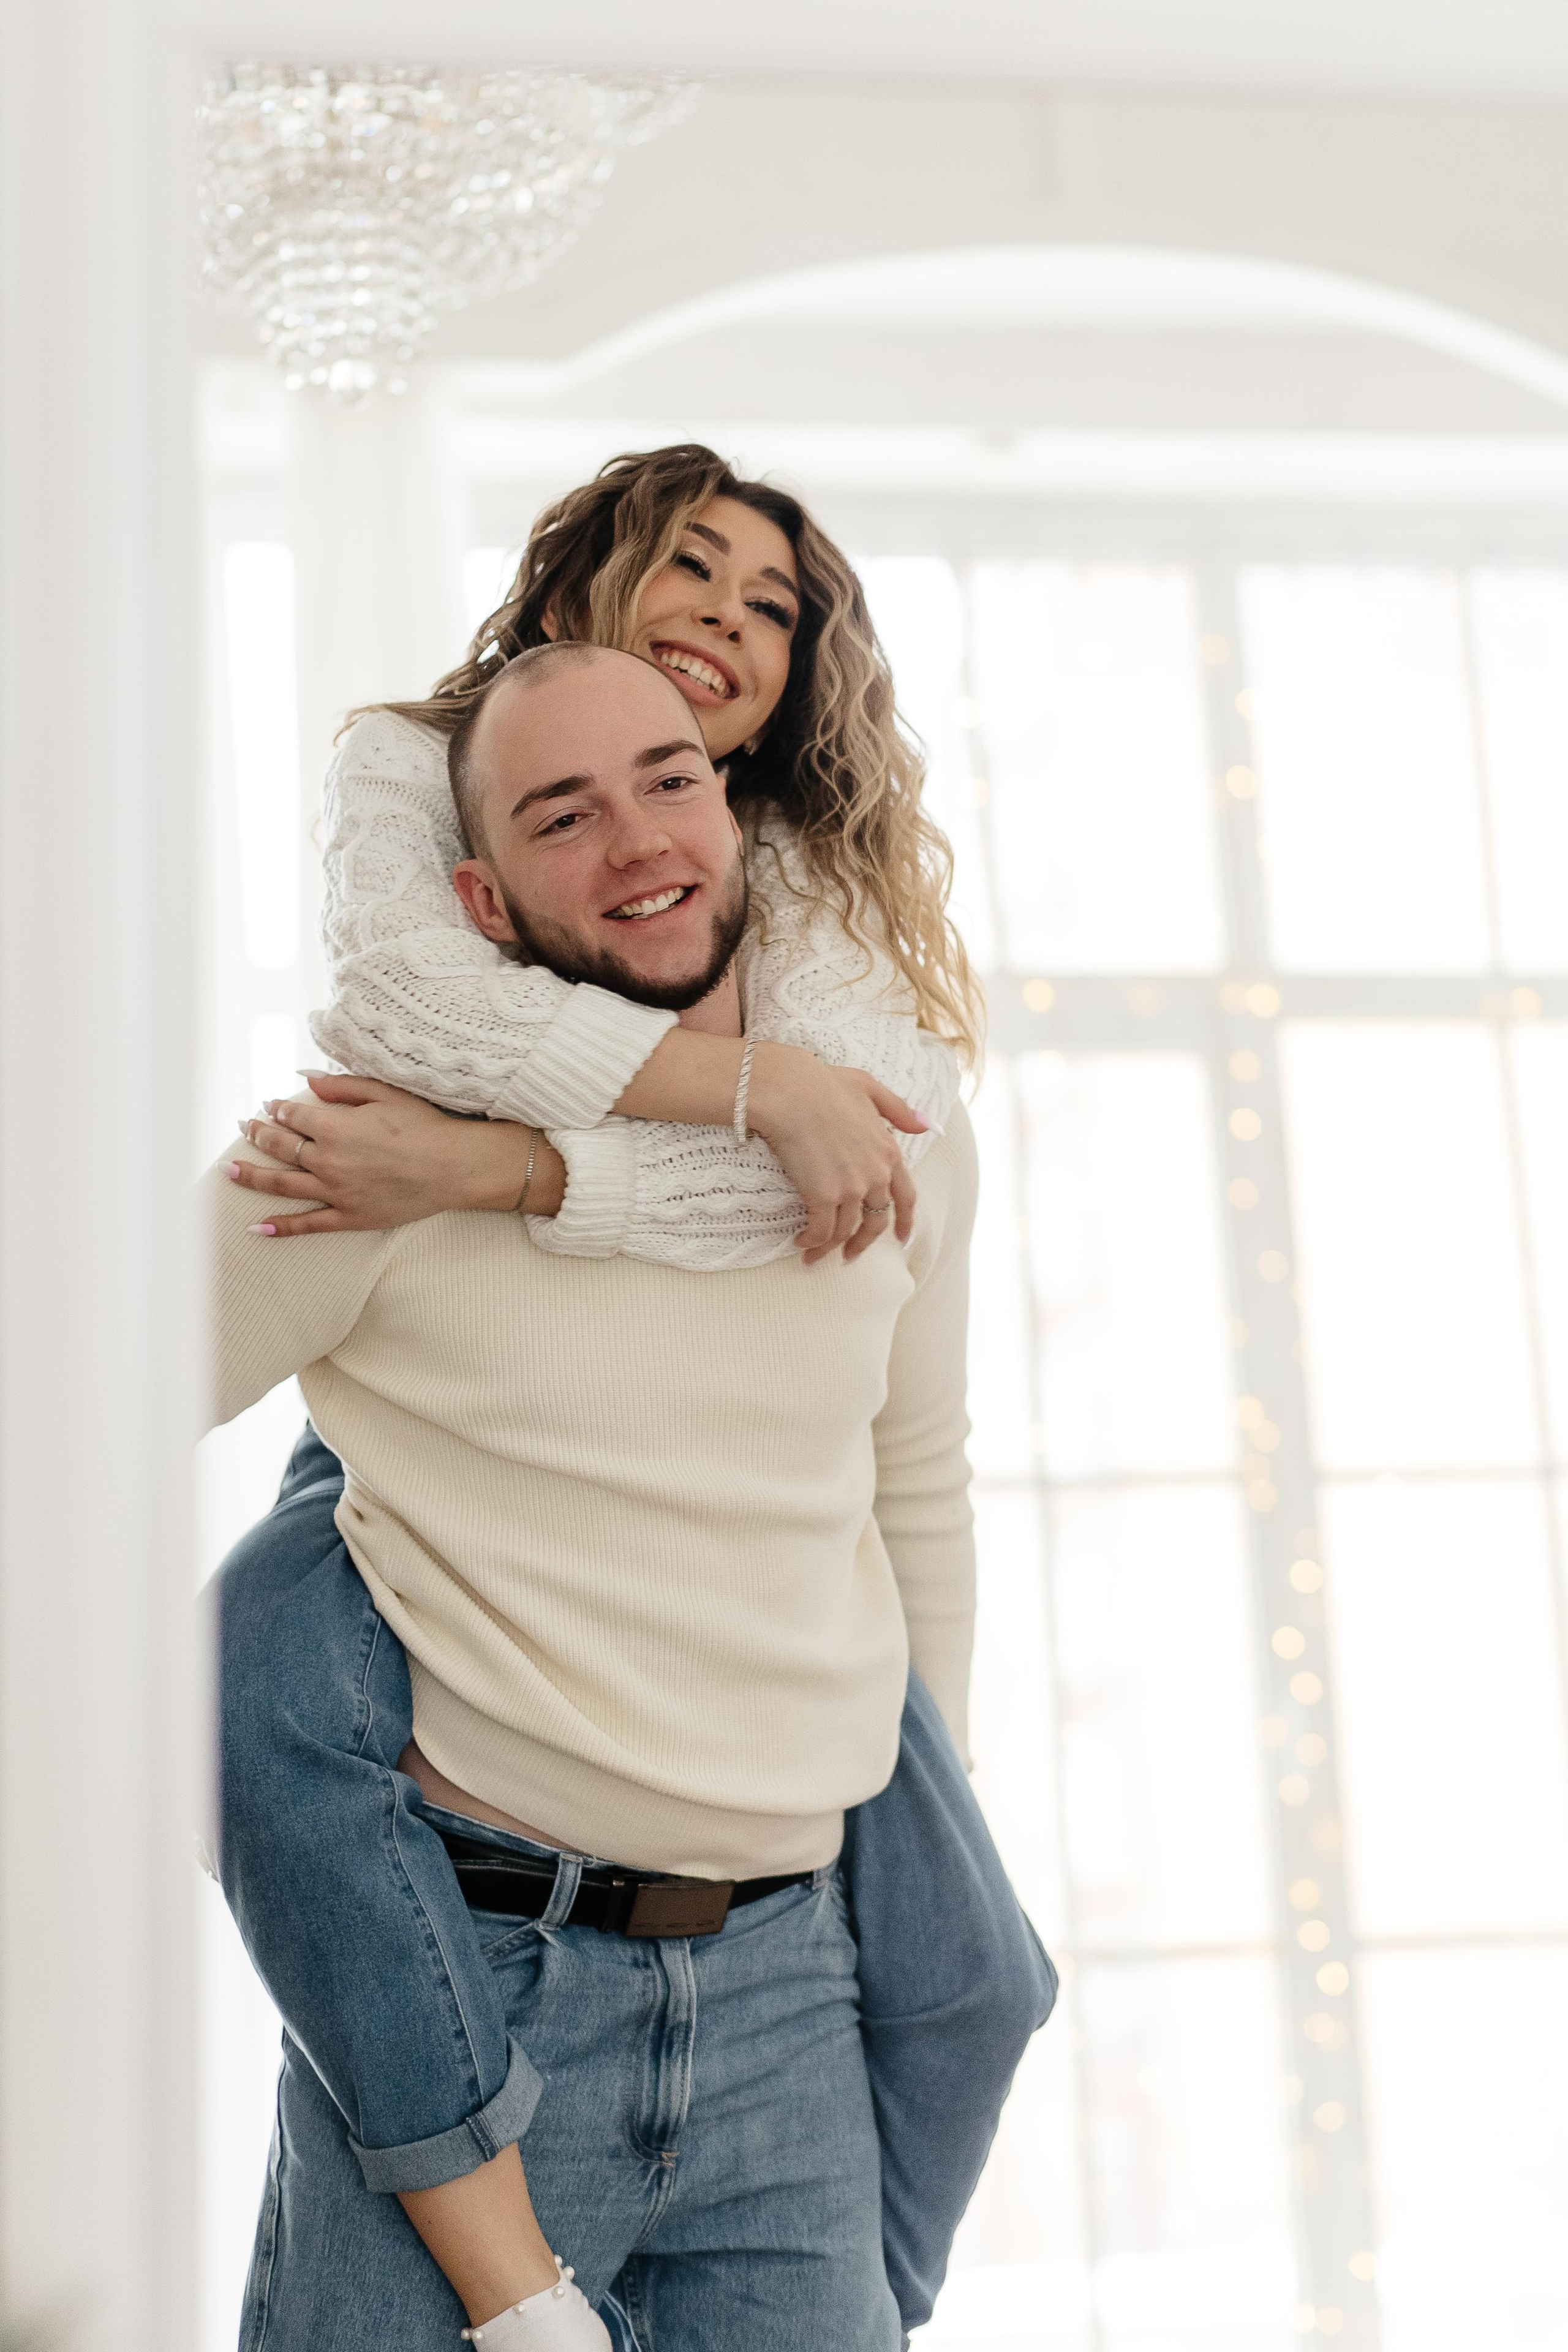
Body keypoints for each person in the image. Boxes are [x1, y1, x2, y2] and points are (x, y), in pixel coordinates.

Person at [213, 451, 1054, 2346]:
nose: (642, 831)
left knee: (987, 1973)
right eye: (561, 813)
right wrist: (483, 1168)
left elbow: (916, 1474)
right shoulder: (390, 1113)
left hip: (786, 1986)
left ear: (741, 783)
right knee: (255, 1654)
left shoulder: (869, 1085)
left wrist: (921, 1824)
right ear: (482, 890)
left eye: (676, 769)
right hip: (485, 1974)